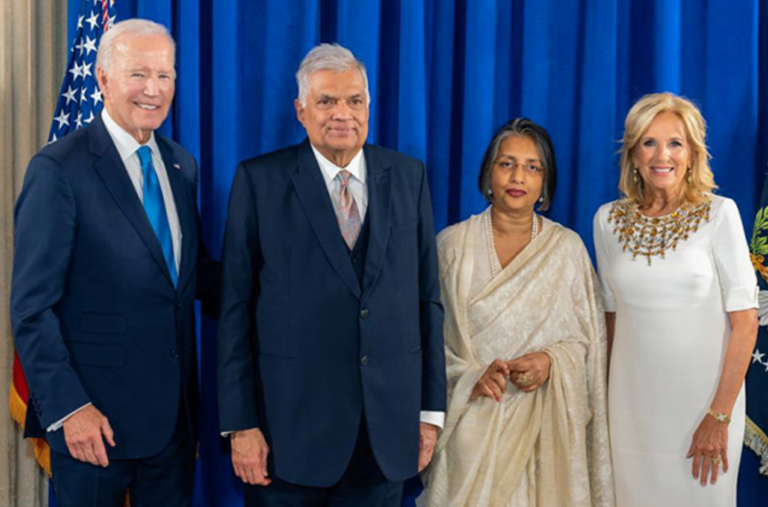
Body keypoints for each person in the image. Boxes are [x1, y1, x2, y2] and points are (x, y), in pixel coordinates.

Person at [216, 43, 447, 507]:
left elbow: (427, 301)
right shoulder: (258, 182)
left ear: (369, 106)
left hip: (384, 438)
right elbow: (234, 311)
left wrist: (429, 413)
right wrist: (241, 425)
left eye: (354, 100)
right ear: (300, 111)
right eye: (326, 101)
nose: (343, 114)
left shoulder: (408, 177)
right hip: (286, 441)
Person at [10, 19, 219, 507]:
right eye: (138, 74)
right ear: (102, 79)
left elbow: (188, 278)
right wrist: (71, 408)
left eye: (165, 75)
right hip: (94, 426)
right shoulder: (59, 169)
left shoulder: (179, 165)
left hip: (173, 426)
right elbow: (31, 309)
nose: (154, 90)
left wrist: (282, 268)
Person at [422, 118, 614, 507]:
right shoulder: (452, 248)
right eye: (506, 163)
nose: (518, 176)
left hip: (545, 439)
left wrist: (551, 362)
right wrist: (472, 377)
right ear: (487, 175)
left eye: (532, 167)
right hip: (471, 429)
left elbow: (589, 348)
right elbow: (424, 344)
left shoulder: (567, 251)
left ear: (545, 183)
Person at [593, 92, 759, 506]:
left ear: (692, 154)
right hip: (630, 411)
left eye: (675, 143)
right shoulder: (607, 222)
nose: (661, 155)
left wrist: (718, 416)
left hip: (705, 409)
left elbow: (746, 322)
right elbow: (610, 323)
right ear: (632, 155)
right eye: (648, 142)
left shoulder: (721, 215)